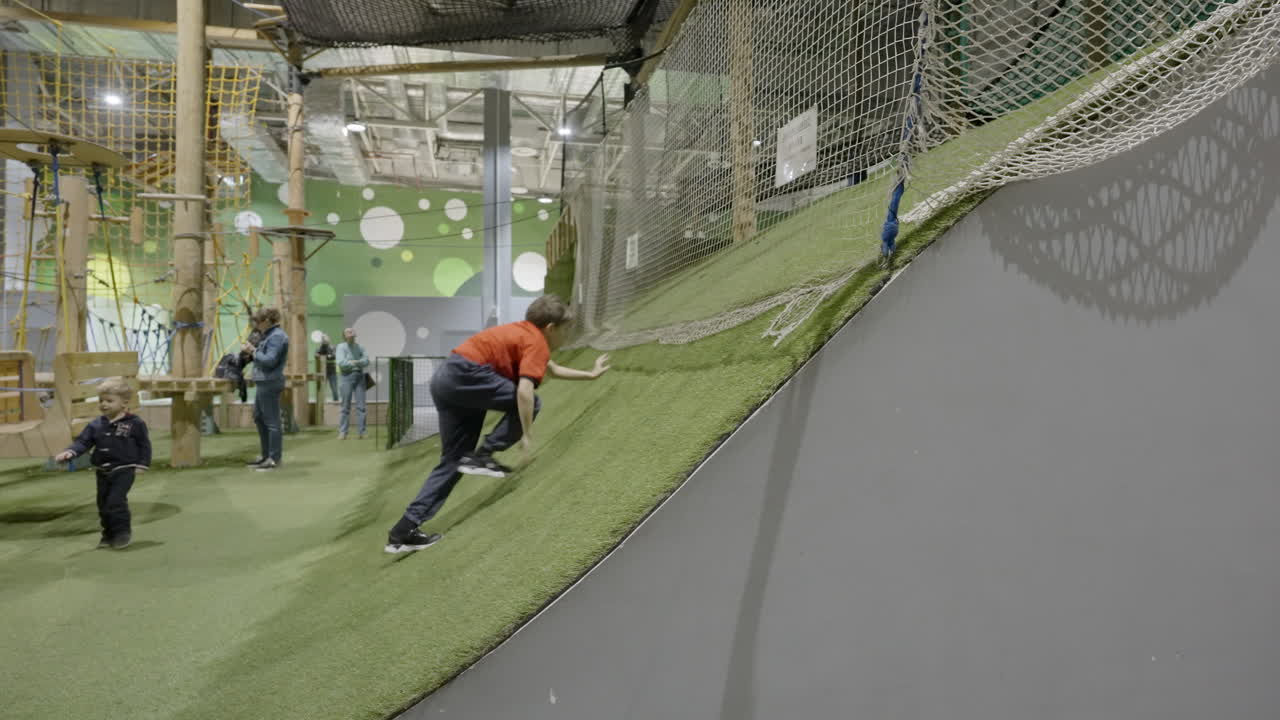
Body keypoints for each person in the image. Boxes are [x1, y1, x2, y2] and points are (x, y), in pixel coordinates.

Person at [384, 295, 610, 553]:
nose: (566, 335)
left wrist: (590, 375)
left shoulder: (521, 333)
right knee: (531, 403)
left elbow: (553, 369)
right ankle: (483, 454)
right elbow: (524, 393)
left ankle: (403, 531)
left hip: (446, 380)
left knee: (455, 460)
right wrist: (526, 434)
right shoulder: (537, 341)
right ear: (550, 328)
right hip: (466, 375)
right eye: (565, 329)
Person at [54, 379, 151, 550]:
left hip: (124, 468)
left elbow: (144, 445)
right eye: (101, 401)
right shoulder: (95, 425)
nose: (104, 404)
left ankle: (122, 533)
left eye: (109, 400)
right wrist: (71, 452)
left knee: (116, 501)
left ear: (124, 403)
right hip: (102, 470)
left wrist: (142, 464)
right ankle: (108, 534)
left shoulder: (135, 423)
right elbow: (83, 442)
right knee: (103, 504)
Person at [243, 306, 289, 471]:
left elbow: (269, 360)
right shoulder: (269, 335)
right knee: (259, 418)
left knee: (271, 422)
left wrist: (253, 351)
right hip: (264, 381)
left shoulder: (276, 337)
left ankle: (273, 458)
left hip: (270, 381)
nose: (257, 325)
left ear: (268, 320)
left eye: (259, 321)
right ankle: (266, 456)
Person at [335, 327, 370, 440]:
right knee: (345, 406)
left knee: (361, 406)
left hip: (360, 376)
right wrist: (357, 362)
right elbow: (341, 363)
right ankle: (343, 432)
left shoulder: (360, 347)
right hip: (346, 377)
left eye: (352, 331)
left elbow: (366, 361)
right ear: (344, 335)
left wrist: (354, 362)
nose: (351, 333)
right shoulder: (341, 347)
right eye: (348, 332)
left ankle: (362, 432)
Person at [315, 333, 338, 402]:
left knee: (334, 388)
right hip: (322, 371)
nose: (324, 339)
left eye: (325, 338)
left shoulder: (333, 347)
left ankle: (336, 402)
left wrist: (326, 357)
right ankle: (322, 403)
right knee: (322, 389)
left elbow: (334, 356)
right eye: (323, 338)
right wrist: (327, 356)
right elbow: (316, 356)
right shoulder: (319, 348)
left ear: (329, 339)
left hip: (332, 371)